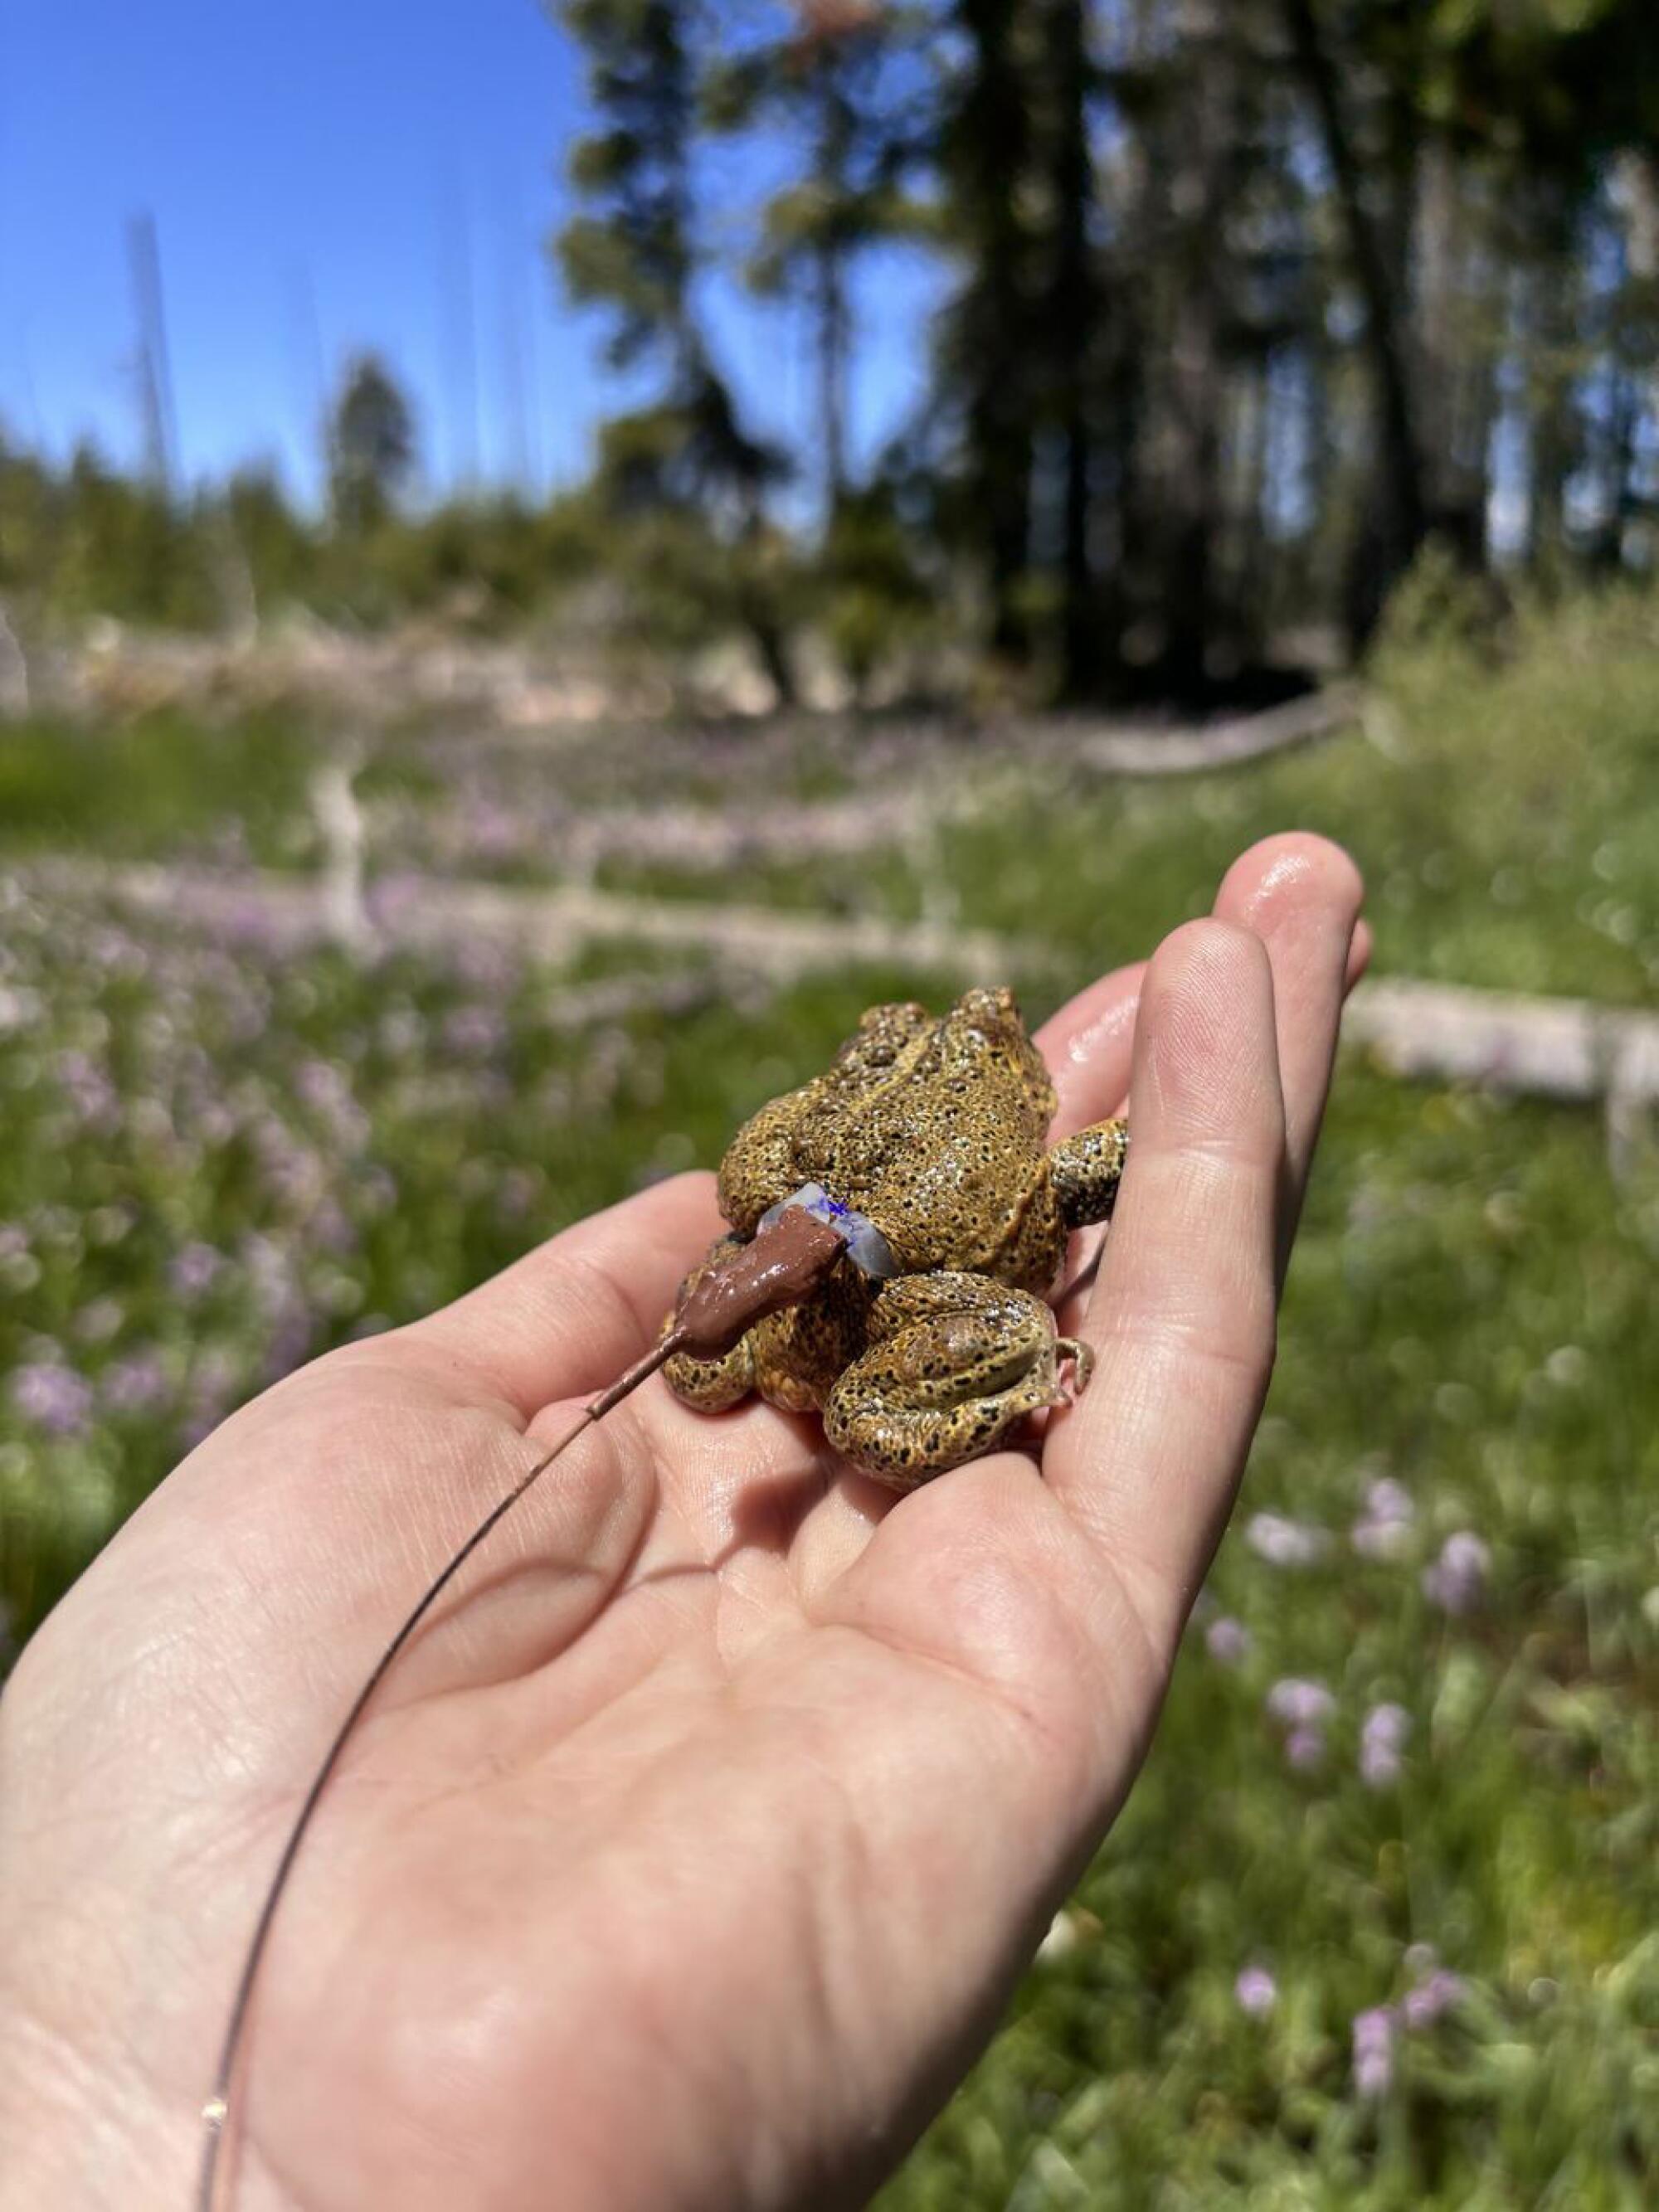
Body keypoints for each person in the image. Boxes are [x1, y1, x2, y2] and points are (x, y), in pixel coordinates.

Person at [0, 834, 1366, 2212]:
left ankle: (1019, 1360)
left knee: (869, 1407)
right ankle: (982, 1343)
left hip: (932, 1285)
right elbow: (762, 1190)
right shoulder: (836, 1181)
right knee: (740, 1365)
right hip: (840, 1270)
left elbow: (1046, 1179)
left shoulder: (992, 1167)